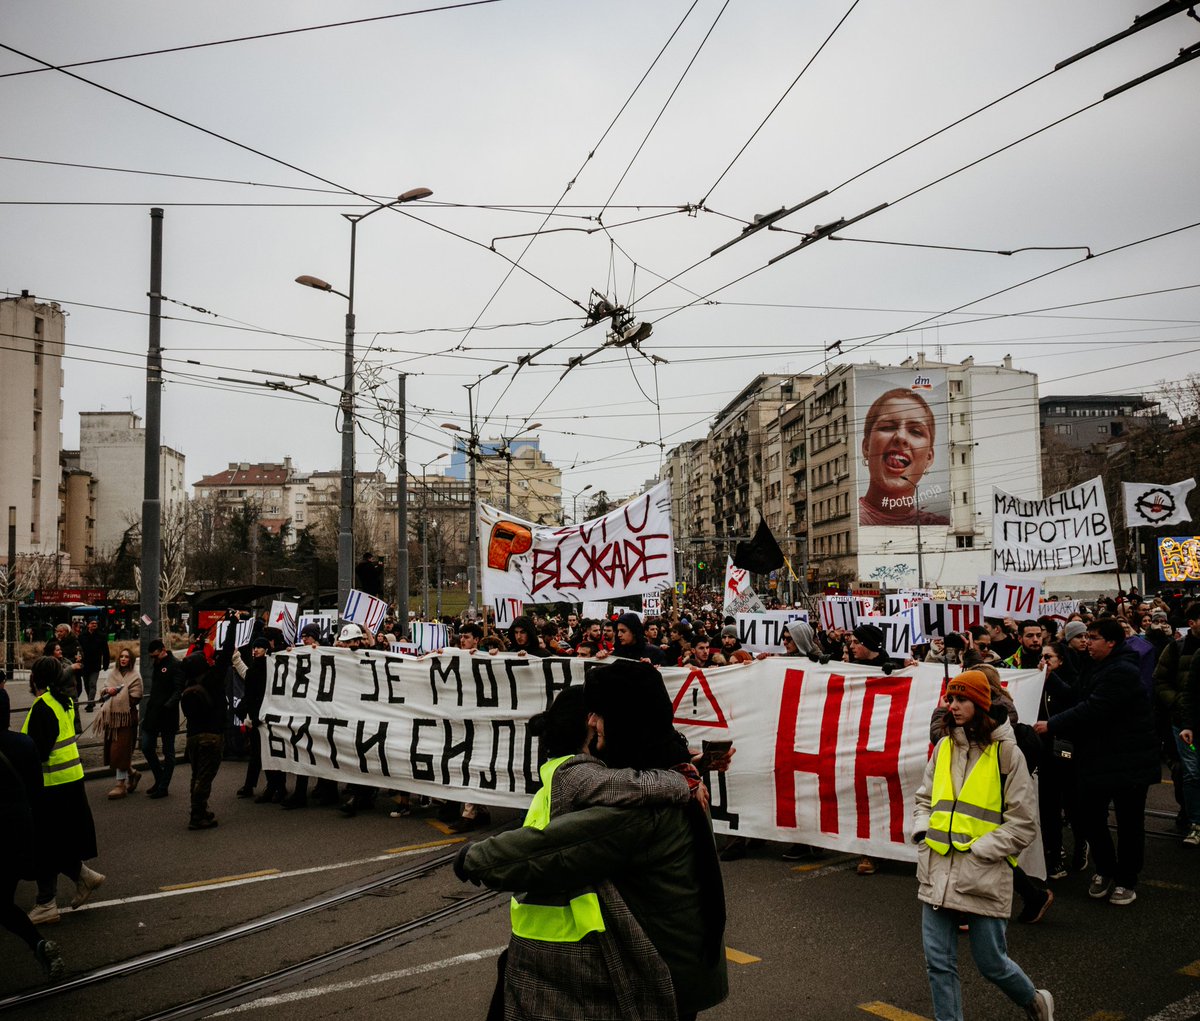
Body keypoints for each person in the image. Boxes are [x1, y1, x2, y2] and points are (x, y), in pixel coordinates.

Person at [457, 661, 728, 1020]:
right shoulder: (678, 774)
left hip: (657, 973)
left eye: (600, 714)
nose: (592, 722)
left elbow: (553, 849)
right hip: (688, 961)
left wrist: (473, 858)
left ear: (623, 720)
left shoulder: (642, 809)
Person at [913, 670, 1054, 1021]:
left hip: (983, 872)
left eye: (962, 699)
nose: (954, 705)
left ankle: (1035, 1001)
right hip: (936, 868)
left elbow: (1023, 824)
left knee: (991, 962)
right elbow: (924, 799)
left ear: (980, 703)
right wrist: (922, 831)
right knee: (938, 964)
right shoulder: (944, 746)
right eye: (951, 698)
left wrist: (980, 850)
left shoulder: (1007, 753)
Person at [1034, 618, 1159, 905]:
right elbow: (1076, 695)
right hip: (1098, 759)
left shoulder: (1123, 671)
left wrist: (1051, 725)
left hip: (1129, 760)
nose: (1087, 641)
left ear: (1111, 642)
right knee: (1089, 817)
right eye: (1086, 636)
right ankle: (1105, 869)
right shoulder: (1094, 666)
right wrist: (1049, 676)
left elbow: (1092, 709)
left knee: (1129, 824)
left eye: (1093, 637)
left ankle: (1126, 880)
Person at [20, 657, 105, 924]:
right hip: (71, 782)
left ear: (35, 678)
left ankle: (46, 903)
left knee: (44, 845)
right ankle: (83, 876)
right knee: (59, 841)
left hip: (50, 787)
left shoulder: (42, 707)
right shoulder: (63, 701)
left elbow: (38, 752)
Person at [0, 726, 65, 980]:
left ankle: (37, 943)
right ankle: (38, 944)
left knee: (3, 906)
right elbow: (37, 789)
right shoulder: (24, 743)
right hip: (20, 834)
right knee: (3, 900)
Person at [858, 388, 950, 526]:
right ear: (866, 447)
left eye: (915, 431)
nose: (900, 437)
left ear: (929, 458)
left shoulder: (939, 525)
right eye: (888, 427)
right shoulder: (851, 520)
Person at [180, 614, 238, 830]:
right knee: (205, 777)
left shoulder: (187, 682)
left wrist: (198, 643)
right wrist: (232, 624)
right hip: (212, 736)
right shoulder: (213, 679)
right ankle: (197, 816)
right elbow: (227, 651)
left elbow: (189, 660)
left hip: (193, 736)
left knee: (196, 775)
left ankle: (200, 810)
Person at [93, 647, 143, 799]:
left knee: (120, 751)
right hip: (112, 718)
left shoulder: (135, 676)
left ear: (131, 660)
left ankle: (120, 785)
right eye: (121, 656)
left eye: (127, 657)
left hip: (127, 718)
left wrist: (117, 694)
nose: (123, 659)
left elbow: (136, 696)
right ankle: (132, 773)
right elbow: (103, 691)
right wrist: (109, 691)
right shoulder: (112, 673)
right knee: (114, 751)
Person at [142, 639, 184, 799]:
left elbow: (178, 689)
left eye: (156, 656)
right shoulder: (157, 664)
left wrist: (168, 705)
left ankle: (163, 785)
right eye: (152, 657)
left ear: (163, 650)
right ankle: (159, 778)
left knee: (169, 752)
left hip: (167, 715)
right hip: (153, 713)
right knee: (146, 747)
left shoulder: (175, 665)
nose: (154, 659)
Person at [78, 618, 110, 714]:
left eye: (96, 623)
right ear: (88, 625)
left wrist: (105, 664)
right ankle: (90, 700)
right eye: (92, 623)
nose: (94, 625)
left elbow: (105, 651)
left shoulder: (101, 636)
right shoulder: (82, 636)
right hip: (84, 664)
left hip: (95, 664)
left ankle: (90, 704)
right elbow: (78, 649)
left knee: (92, 684)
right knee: (87, 685)